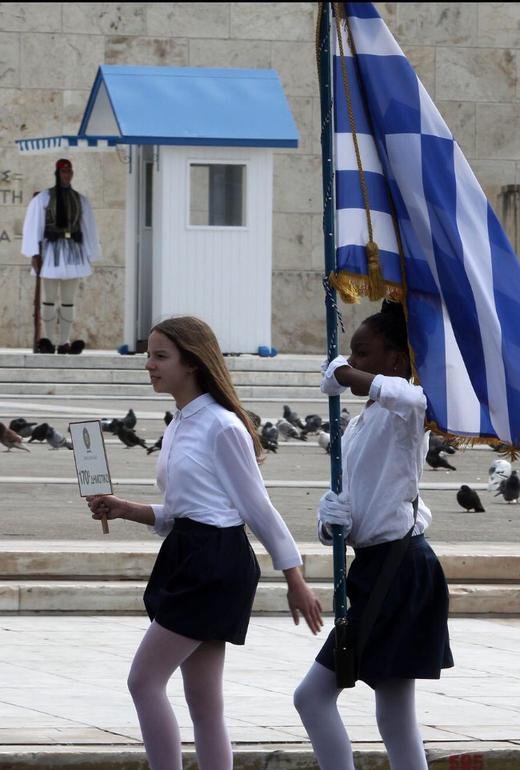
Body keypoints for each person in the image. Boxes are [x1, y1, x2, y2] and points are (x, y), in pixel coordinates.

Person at [86, 315, 322, 770]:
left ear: (192, 363)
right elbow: (184, 511)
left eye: (160, 356)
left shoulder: (223, 426)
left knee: (144, 681)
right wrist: (124, 508)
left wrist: (295, 577)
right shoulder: (178, 423)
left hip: (215, 563)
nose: (149, 365)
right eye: (148, 356)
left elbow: (258, 509)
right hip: (191, 553)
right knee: (203, 699)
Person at [294, 300, 453, 770]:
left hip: (400, 569)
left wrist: (343, 374)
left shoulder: (407, 410)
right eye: (350, 353)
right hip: (379, 565)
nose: (353, 361)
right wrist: (332, 519)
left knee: (313, 696)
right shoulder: (363, 422)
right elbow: (357, 505)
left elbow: (417, 400)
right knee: (394, 712)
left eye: (362, 354)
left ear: (397, 361)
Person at [21, 158, 101, 354]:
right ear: (57, 174)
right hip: (50, 253)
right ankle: (47, 340)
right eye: (64, 171)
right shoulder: (43, 199)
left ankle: (64, 340)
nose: (67, 174)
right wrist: (34, 253)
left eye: (69, 171)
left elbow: (88, 227)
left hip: (73, 252)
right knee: (48, 299)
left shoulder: (81, 200)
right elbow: (34, 226)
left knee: (68, 299)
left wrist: (91, 252)